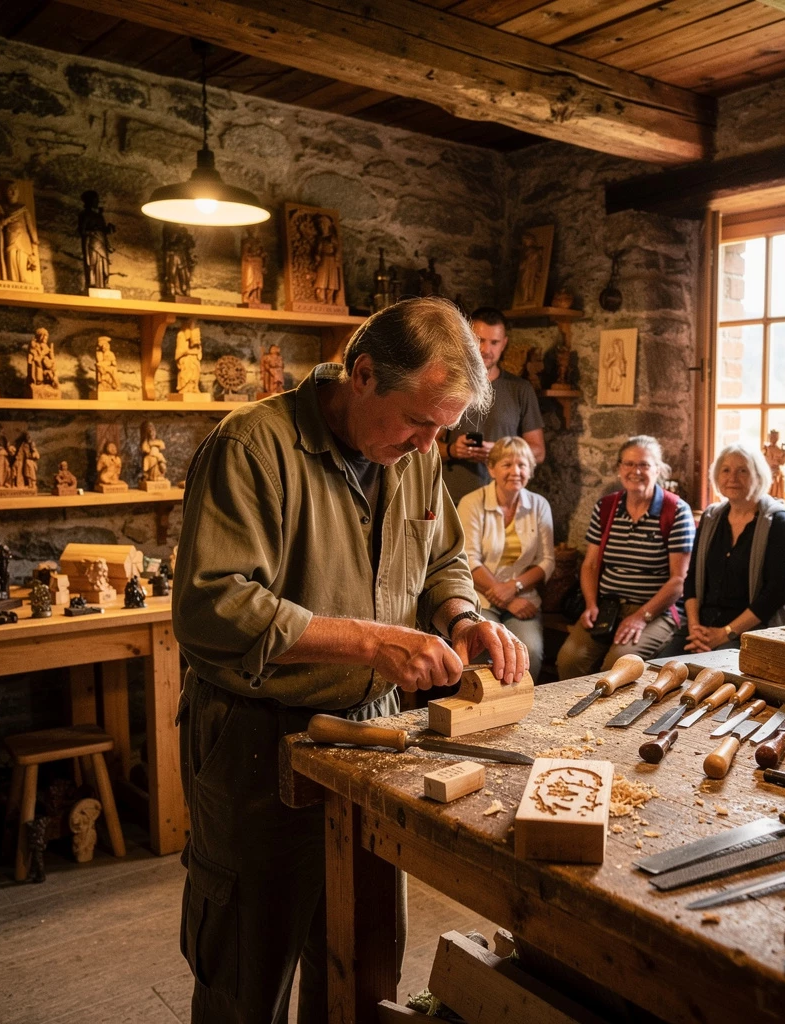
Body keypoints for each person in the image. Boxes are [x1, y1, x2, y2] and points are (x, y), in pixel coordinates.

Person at [171, 297, 528, 1023]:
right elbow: (211, 607)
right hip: (257, 739)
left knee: (364, 970)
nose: (430, 445)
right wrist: (373, 641)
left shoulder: (416, 455)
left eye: (445, 429)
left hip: (375, 738)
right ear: (362, 375)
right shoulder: (252, 447)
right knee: (247, 972)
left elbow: (445, 563)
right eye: (419, 422)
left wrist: (462, 617)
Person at [556, 436, 694, 679]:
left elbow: (678, 581)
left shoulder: (676, 511)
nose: (635, 471)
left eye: (644, 465)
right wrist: (590, 604)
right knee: (569, 660)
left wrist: (641, 618)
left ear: (658, 469)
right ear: (620, 468)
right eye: (628, 464)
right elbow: (590, 564)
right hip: (606, 606)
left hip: (655, 610)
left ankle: (605, 716)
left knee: (617, 664)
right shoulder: (607, 507)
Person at [656, 444, 785, 656]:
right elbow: (692, 578)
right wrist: (695, 629)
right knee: (656, 671)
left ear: (758, 476)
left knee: (706, 680)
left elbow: (773, 595)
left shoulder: (777, 522)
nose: (733, 477)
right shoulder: (711, 517)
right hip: (702, 629)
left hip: (750, 633)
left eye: (743, 470)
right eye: (726, 470)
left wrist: (724, 633)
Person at [457, 436, 555, 673]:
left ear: (530, 470)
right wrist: (508, 599)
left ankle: (523, 708)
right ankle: (487, 708)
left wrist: (515, 587)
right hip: (481, 598)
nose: (515, 471)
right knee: (484, 650)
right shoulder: (472, 503)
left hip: (525, 599)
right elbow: (468, 559)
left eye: (522, 465)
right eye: (507, 465)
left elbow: (547, 561)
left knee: (529, 651)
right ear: (491, 468)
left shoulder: (539, 505)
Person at [440, 307, 545, 504]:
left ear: (504, 343)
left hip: (503, 504)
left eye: (494, 342)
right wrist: (453, 450)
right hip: (450, 502)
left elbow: (538, 452)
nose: (486, 350)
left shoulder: (520, 390)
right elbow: (424, 448)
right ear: (468, 339)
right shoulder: (449, 386)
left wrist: (500, 452)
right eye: (480, 340)